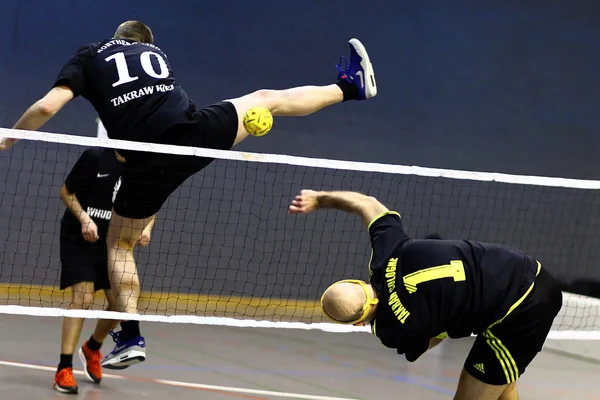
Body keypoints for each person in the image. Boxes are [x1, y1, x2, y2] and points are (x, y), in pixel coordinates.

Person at [0, 21, 378, 369]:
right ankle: (349, 88)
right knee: (267, 99)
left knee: (119, 246)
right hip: (192, 140)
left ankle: (130, 336)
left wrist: (11, 135)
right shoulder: (156, 54)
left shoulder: (89, 54)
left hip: (145, 162)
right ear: (147, 44)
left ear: (117, 37)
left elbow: (48, 106)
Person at [288, 189, 563, 400]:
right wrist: (318, 199)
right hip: (523, 270)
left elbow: (429, 341)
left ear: (357, 322)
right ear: (357, 281)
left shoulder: (392, 329)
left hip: (521, 311)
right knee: (499, 380)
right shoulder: (389, 251)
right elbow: (367, 203)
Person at [55, 146, 155, 394]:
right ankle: (63, 368)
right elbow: (66, 193)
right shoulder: (95, 157)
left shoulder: (140, 166)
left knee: (120, 303)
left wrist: (147, 228)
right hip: (80, 235)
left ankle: (92, 347)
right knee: (84, 298)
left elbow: (151, 205)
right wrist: (84, 219)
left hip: (113, 243)